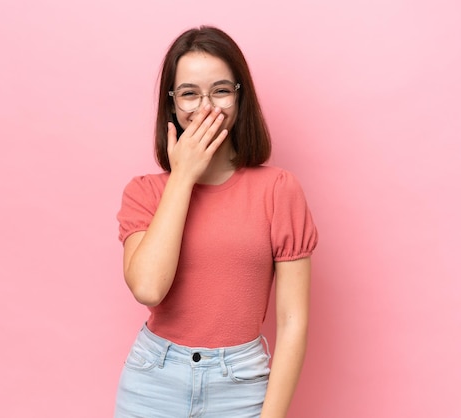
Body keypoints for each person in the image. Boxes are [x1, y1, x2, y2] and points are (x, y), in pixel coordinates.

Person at [114, 26, 318, 418]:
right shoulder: (144, 192)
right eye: (190, 93)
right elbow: (148, 287)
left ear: (240, 98)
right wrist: (183, 176)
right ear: (171, 104)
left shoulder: (278, 189)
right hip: (152, 380)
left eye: (221, 91)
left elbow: (293, 322)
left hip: (241, 384)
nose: (206, 107)